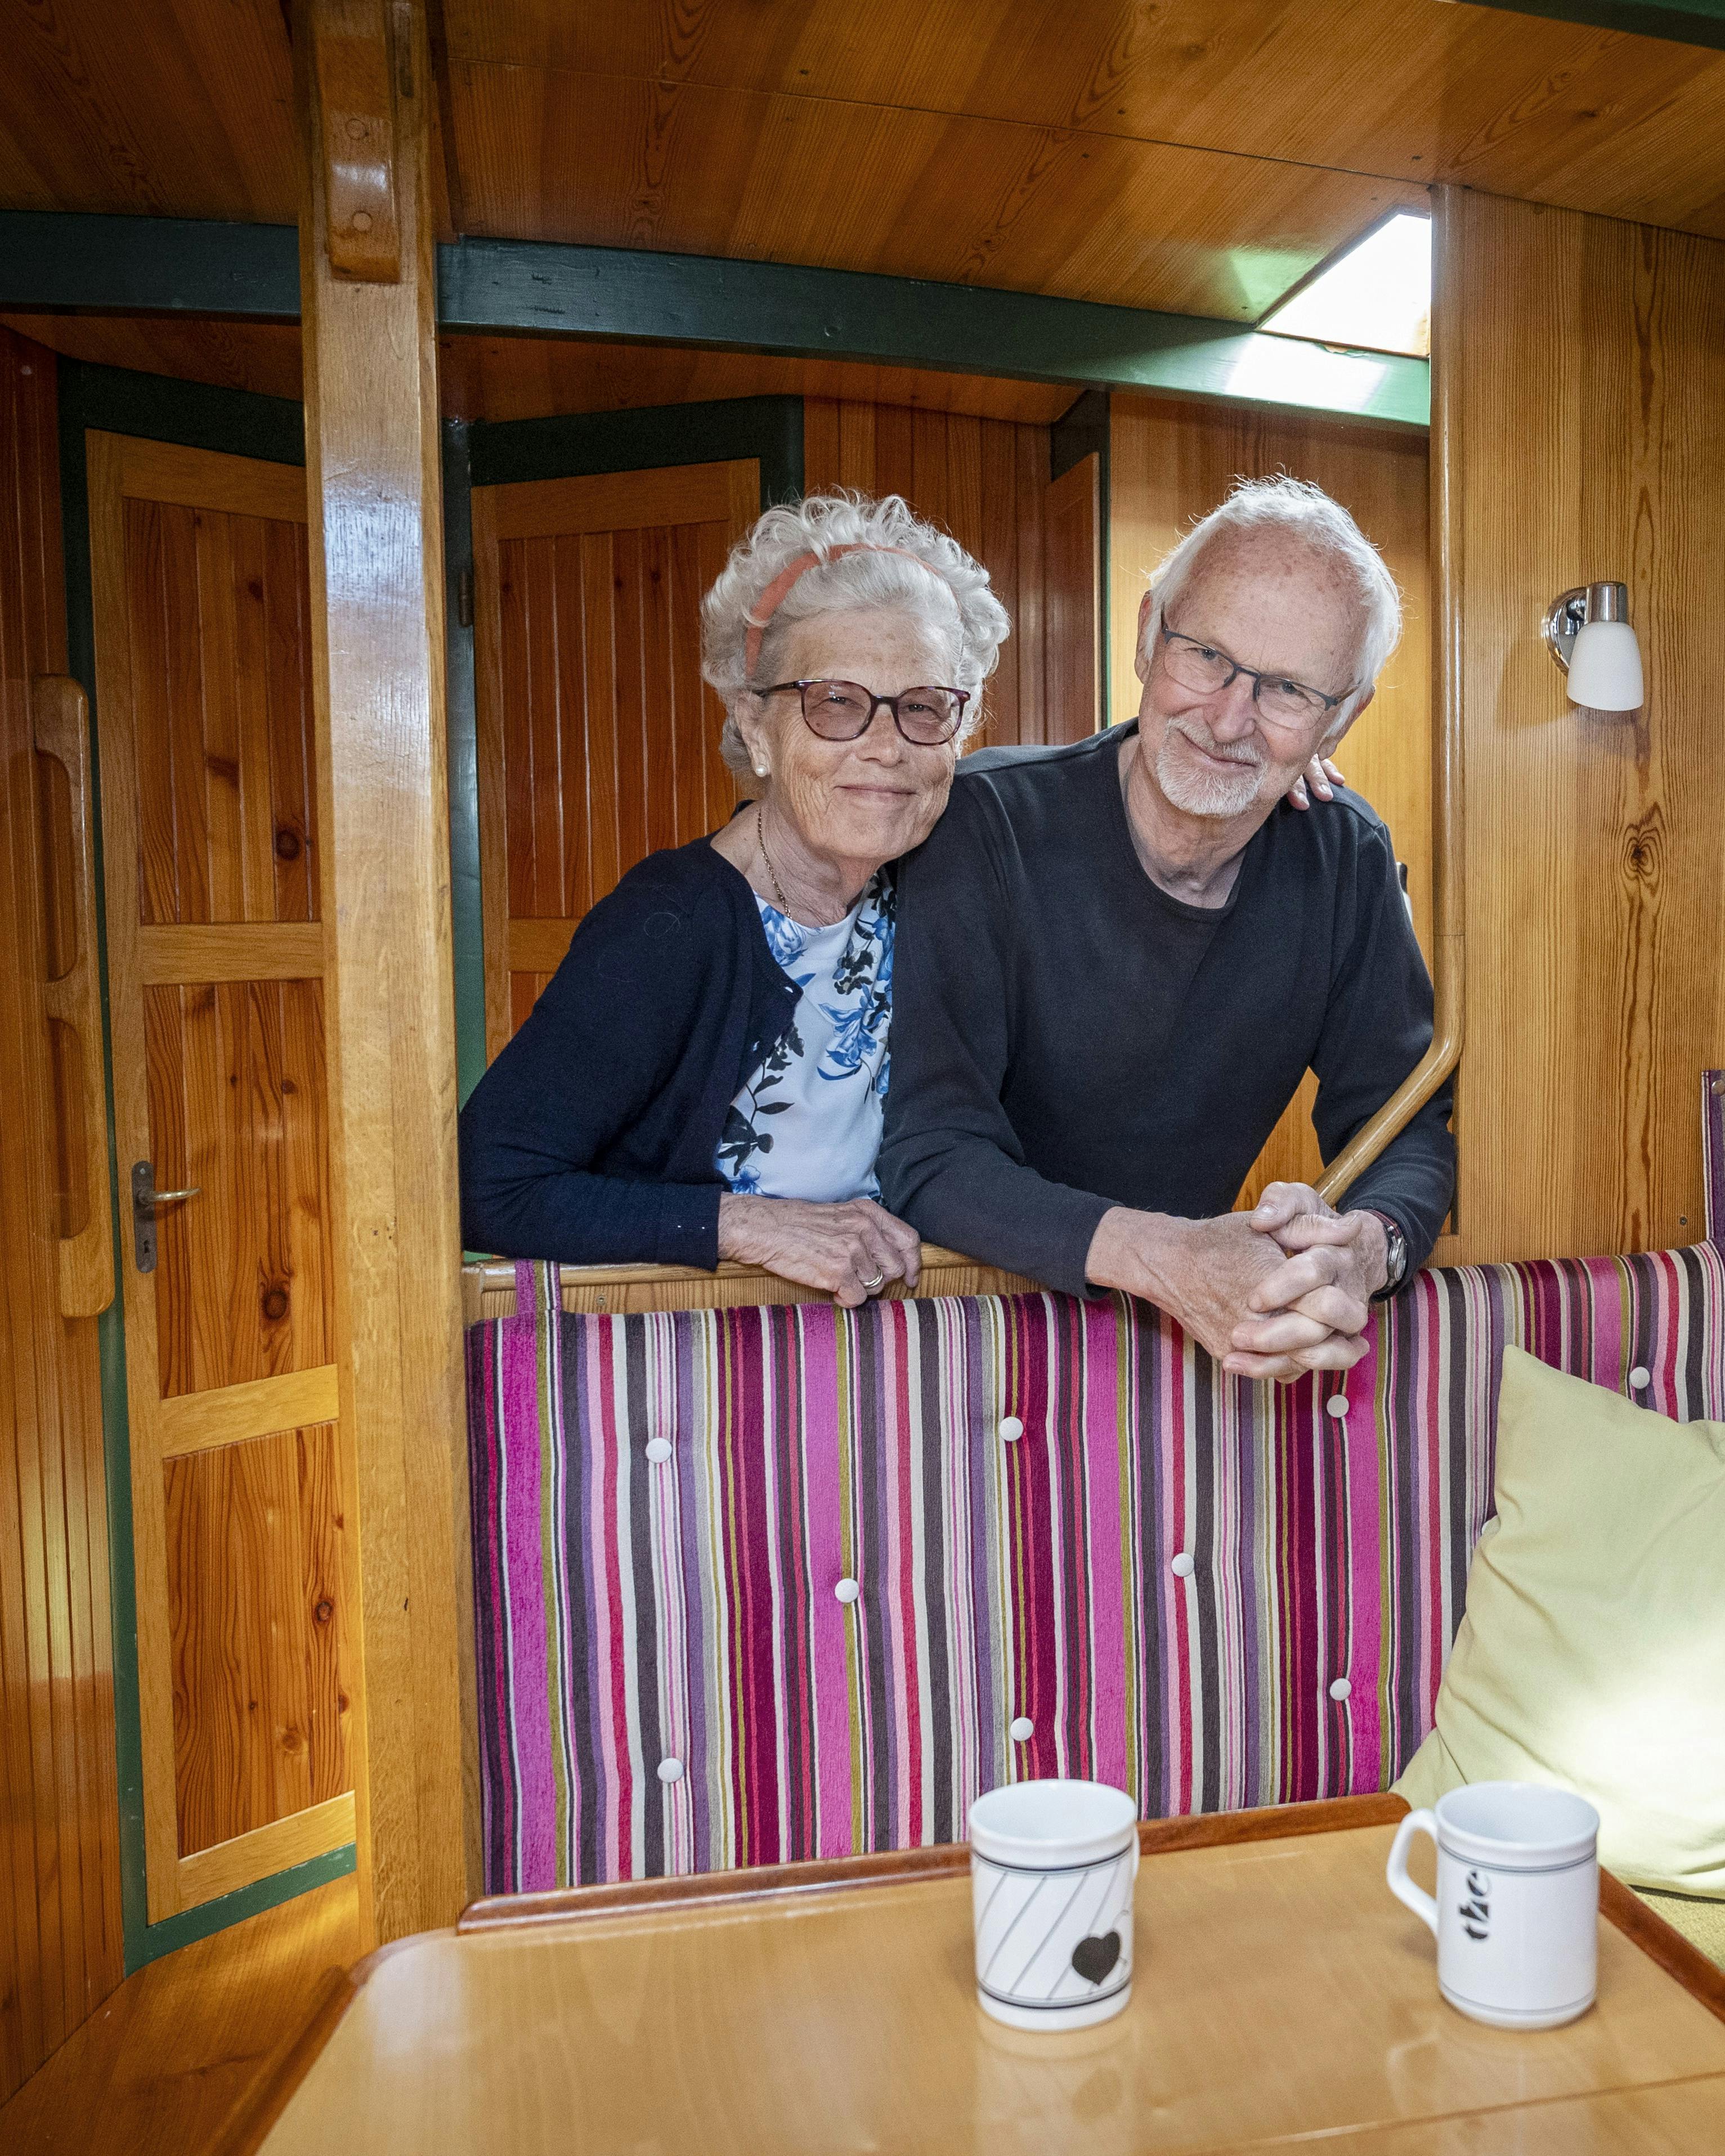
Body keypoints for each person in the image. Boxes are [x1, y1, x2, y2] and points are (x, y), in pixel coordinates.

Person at [878, 474, 1454, 1380]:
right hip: (951, 1329)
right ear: (1149, 635)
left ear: (1340, 718)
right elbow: (928, 1150)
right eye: (1207, 656)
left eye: (1287, 691)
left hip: (1174, 1351)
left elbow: (1407, 1125)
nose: (1228, 719)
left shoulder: (1343, 857)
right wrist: (1175, 1258)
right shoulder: (982, 824)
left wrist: (1365, 1250)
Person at [458, 491, 1010, 1306]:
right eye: (835, 703)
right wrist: (744, 1223)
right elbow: (487, 1184)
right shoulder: (670, 925)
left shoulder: (944, 887)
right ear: (755, 727)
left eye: (923, 708)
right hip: (692, 1371)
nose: (885, 748)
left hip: (897, 1357)